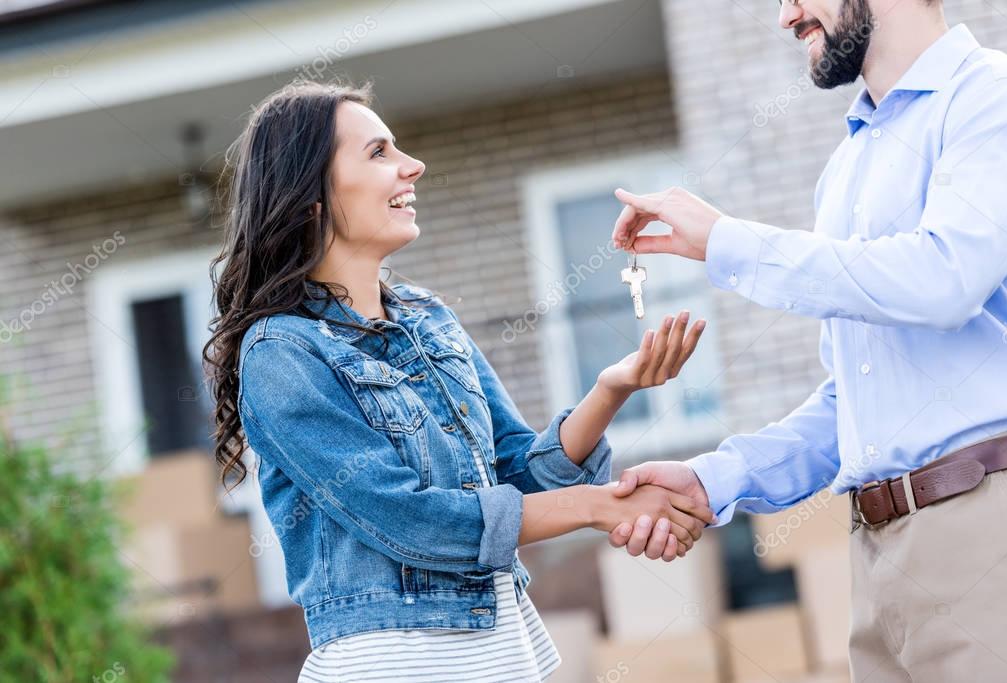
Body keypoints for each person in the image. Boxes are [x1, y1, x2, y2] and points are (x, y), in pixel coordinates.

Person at [202, 80, 714, 683]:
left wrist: (610, 389)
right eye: (378, 153)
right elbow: (412, 522)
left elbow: (517, 476)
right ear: (309, 195)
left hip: (503, 651)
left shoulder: (427, 318)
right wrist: (596, 506)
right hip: (394, 664)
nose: (412, 166)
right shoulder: (283, 352)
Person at [607, 1, 1007, 681]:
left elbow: (944, 278)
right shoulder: (844, 170)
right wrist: (714, 479)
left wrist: (727, 240)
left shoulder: (995, 98)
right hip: (876, 563)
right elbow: (852, 404)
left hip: (988, 532)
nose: (783, 16)